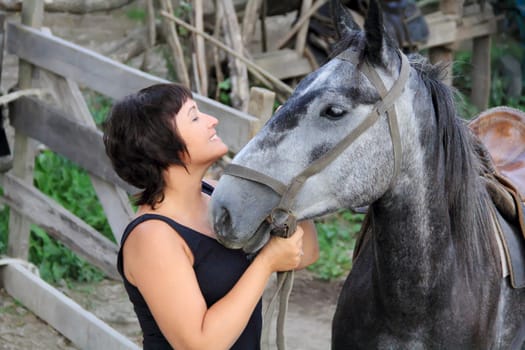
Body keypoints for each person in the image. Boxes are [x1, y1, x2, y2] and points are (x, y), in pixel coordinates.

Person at [103, 83, 319, 350]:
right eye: (194, 116)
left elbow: (305, 253)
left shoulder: (217, 194)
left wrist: (288, 159)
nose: (211, 120)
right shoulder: (153, 237)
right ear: (161, 146)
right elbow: (200, 344)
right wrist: (265, 263)